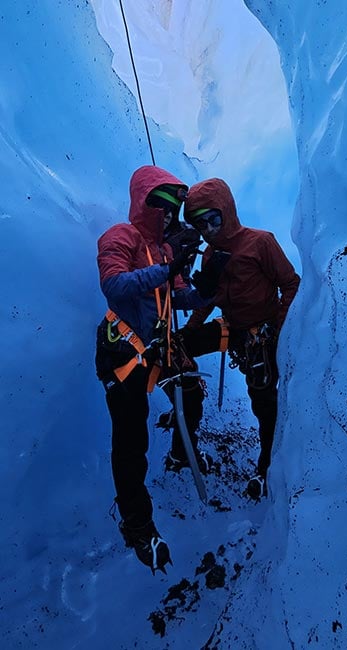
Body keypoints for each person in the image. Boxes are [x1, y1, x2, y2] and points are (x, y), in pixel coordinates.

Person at [95, 165, 212, 574]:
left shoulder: (166, 249)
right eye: (163, 207)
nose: (168, 216)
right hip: (123, 350)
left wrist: (206, 288)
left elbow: (179, 297)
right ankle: (137, 524)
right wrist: (167, 267)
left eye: (173, 210)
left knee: (192, 394)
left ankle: (181, 456)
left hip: (158, 344)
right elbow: (114, 285)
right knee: (131, 440)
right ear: (147, 204)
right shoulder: (119, 237)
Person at [179, 177, 300, 500]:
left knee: (263, 402)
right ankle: (181, 444)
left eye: (213, 219)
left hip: (262, 334)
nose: (207, 229)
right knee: (177, 348)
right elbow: (208, 298)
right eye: (199, 223)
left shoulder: (261, 243)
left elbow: (290, 283)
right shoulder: (210, 255)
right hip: (231, 328)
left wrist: (279, 329)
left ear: (227, 211)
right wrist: (190, 330)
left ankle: (266, 468)